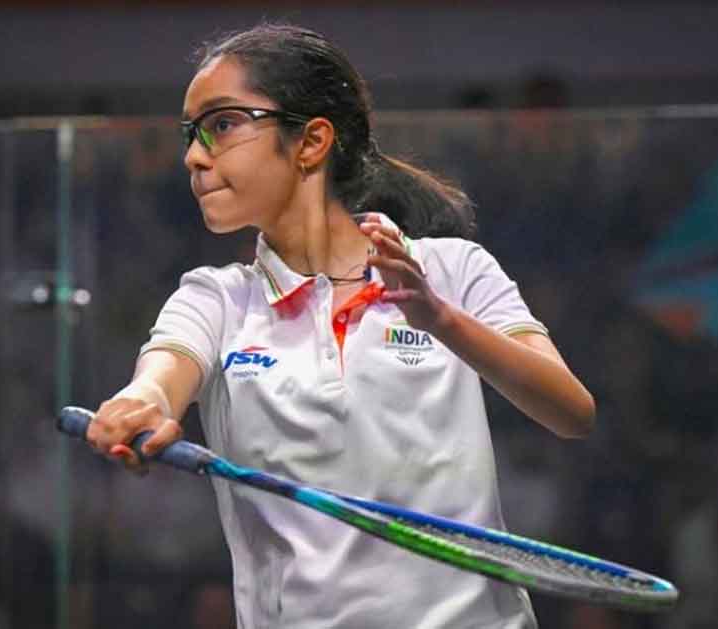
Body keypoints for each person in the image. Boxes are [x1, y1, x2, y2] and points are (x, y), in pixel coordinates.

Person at [86, 24, 595, 629]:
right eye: (191, 133)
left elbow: (571, 411)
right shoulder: (217, 299)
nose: (194, 156)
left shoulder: (454, 270)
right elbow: (158, 379)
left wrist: (440, 319)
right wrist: (138, 406)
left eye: (222, 124)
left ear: (311, 141)